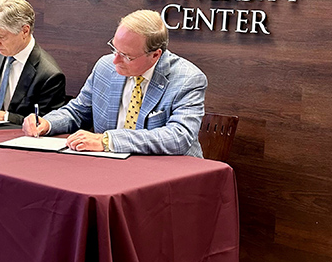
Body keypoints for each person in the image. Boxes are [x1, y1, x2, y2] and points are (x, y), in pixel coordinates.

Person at [23, 9, 207, 155]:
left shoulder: (187, 79)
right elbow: (78, 112)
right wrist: (48, 123)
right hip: (109, 167)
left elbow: (178, 137)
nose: (115, 61)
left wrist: (108, 141)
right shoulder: (105, 67)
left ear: (155, 55)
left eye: (126, 56)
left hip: (168, 176)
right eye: (114, 49)